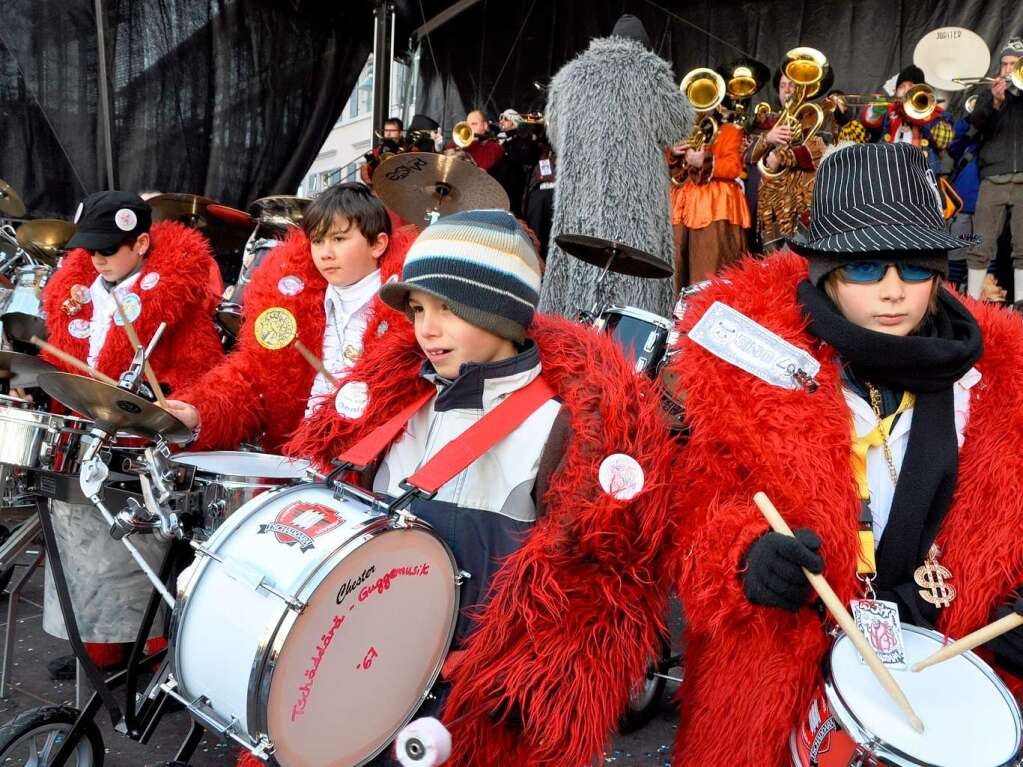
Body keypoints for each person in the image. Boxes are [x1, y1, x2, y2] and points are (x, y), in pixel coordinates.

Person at [276, 209, 676, 767]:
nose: (426, 329)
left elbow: (588, 594)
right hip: (363, 675)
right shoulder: (396, 407)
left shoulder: (561, 430)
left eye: (448, 309)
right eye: (417, 309)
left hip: (470, 711)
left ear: (501, 314)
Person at [668, 142, 1023, 764]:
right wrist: (745, 555)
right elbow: (699, 503)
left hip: (933, 683)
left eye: (914, 269)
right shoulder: (746, 369)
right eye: (865, 269)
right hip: (779, 674)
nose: (893, 292)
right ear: (826, 271)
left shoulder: (1002, 380)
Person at [38, 190, 225, 678]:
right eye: (91, 250)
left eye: (108, 249)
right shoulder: (79, 298)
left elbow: (200, 376)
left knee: (137, 552)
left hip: (142, 450)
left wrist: (178, 406)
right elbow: (63, 365)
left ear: (141, 243)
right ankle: (96, 639)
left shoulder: (174, 302)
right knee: (81, 548)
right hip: (89, 441)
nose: (97, 259)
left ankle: (154, 653)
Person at [161, 183, 417, 453]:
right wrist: (198, 414)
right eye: (317, 241)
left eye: (339, 239)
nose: (325, 252)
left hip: (378, 472)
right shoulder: (294, 303)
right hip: (299, 467)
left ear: (378, 244)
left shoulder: (412, 310)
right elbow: (251, 384)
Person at [540, 13, 690, 317]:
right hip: (634, 205)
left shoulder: (568, 79)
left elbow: (555, 134)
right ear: (645, 48)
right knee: (635, 279)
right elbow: (679, 124)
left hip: (579, 201)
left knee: (577, 265)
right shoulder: (650, 74)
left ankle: (571, 338)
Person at [744, 64, 830, 252]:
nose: (787, 90)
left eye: (792, 85)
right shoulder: (768, 121)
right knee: (773, 264)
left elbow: (821, 149)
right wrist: (768, 138)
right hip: (771, 208)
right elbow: (747, 155)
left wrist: (782, 156)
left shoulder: (815, 114)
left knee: (801, 259)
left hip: (802, 204)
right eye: (783, 86)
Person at [967, 37, 1023, 300]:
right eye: (1005, 63)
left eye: (1014, 64)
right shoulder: (987, 93)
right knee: (981, 243)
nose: (1008, 69)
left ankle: (1021, 301)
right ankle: (974, 301)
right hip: (993, 176)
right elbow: (975, 124)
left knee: (1022, 246)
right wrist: (995, 103)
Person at [671, 109, 750, 288]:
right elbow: (675, 175)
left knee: (709, 276)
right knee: (677, 272)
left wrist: (704, 161)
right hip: (682, 212)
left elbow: (734, 167)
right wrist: (674, 154)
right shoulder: (682, 132)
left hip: (714, 211)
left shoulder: (730, 130)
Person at [862, 64, 953, 177]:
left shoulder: (936, 114)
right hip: (886, 170)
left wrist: (919, 114)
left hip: (920, 176)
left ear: (922, 92)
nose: (906, 90)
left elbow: (944, 141)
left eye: (911, 86)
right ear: (896, 92)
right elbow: (871, 133)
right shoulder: (890, 111)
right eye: (901, 87)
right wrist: (874, 112)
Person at [360, 117, 405, 183]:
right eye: (386, 131)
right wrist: (370, 166)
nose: (388, 134)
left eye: (392, 131)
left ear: (400, 133)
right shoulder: (377, 151)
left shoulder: (408, 148)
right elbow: (368, 180)